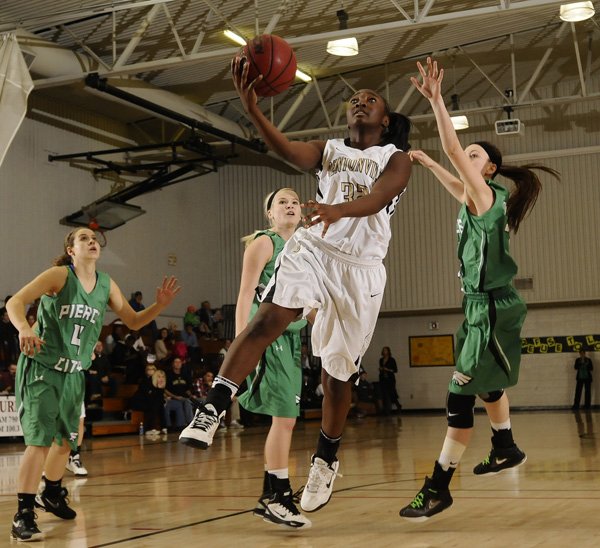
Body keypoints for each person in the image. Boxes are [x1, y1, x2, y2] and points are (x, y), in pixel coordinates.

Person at [179, 54, 412, 518]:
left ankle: (326, 457)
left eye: (370, 101)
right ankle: (213, 406)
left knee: (336, 377)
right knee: (268, 319)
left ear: (385, 121)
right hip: (315, 249)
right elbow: (286, 150)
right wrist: (253, 109)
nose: (360, 103)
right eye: (354, 100)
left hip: (361, 269)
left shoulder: (395, 158)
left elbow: (380, 196)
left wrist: (338, 211)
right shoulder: (329, 150)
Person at [399, 57, 559, 521]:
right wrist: (428, 161)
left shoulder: (488, 196)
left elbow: (454, 156)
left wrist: (435, 104)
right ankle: (506, 446)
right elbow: (453, 177)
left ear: (488, 171)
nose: (464, 158)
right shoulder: (478, 199)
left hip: (489, 307)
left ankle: (438, 487)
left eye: (474, 156)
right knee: (488, 389)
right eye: (466, 152)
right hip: (480, 308)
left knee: (458, 397)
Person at [6, 227, 180, 541]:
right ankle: (23, 514)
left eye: (94, 239)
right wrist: (23, 329)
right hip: (43, 368)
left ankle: (53, 493)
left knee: (67, 441)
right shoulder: (59, 275)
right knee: (40, 441)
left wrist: (159, 306)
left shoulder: (106, 284)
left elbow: (133, 321)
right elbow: (15, 302)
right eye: (83, 238)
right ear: (71, 249)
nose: (91, 241)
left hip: (73, 372)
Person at [232, 188, 309, 528]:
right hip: (266, 335)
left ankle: (271, 494)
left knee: (287, 416)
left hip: (292, 338)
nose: (290, 205)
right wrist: (241, 343)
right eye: (282, 202)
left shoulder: (307, 247)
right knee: (284, 417)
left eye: (295, 201)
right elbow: (245, 292)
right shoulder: (264, 243)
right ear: (270, 214)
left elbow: (314, 302)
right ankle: (278, 496)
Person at [378, 346, 401, 414]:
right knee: (385, 394)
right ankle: (387, 410)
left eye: (386, 350)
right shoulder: (381, 360)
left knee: (392, 393)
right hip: (383, 378)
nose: (384, 352)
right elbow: (381, 368)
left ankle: (398, 406)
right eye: (383, 350)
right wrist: (381, 369)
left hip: (390, 379)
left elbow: (395, 370)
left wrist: (387, 369)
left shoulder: (392, 360)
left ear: (388, 351)